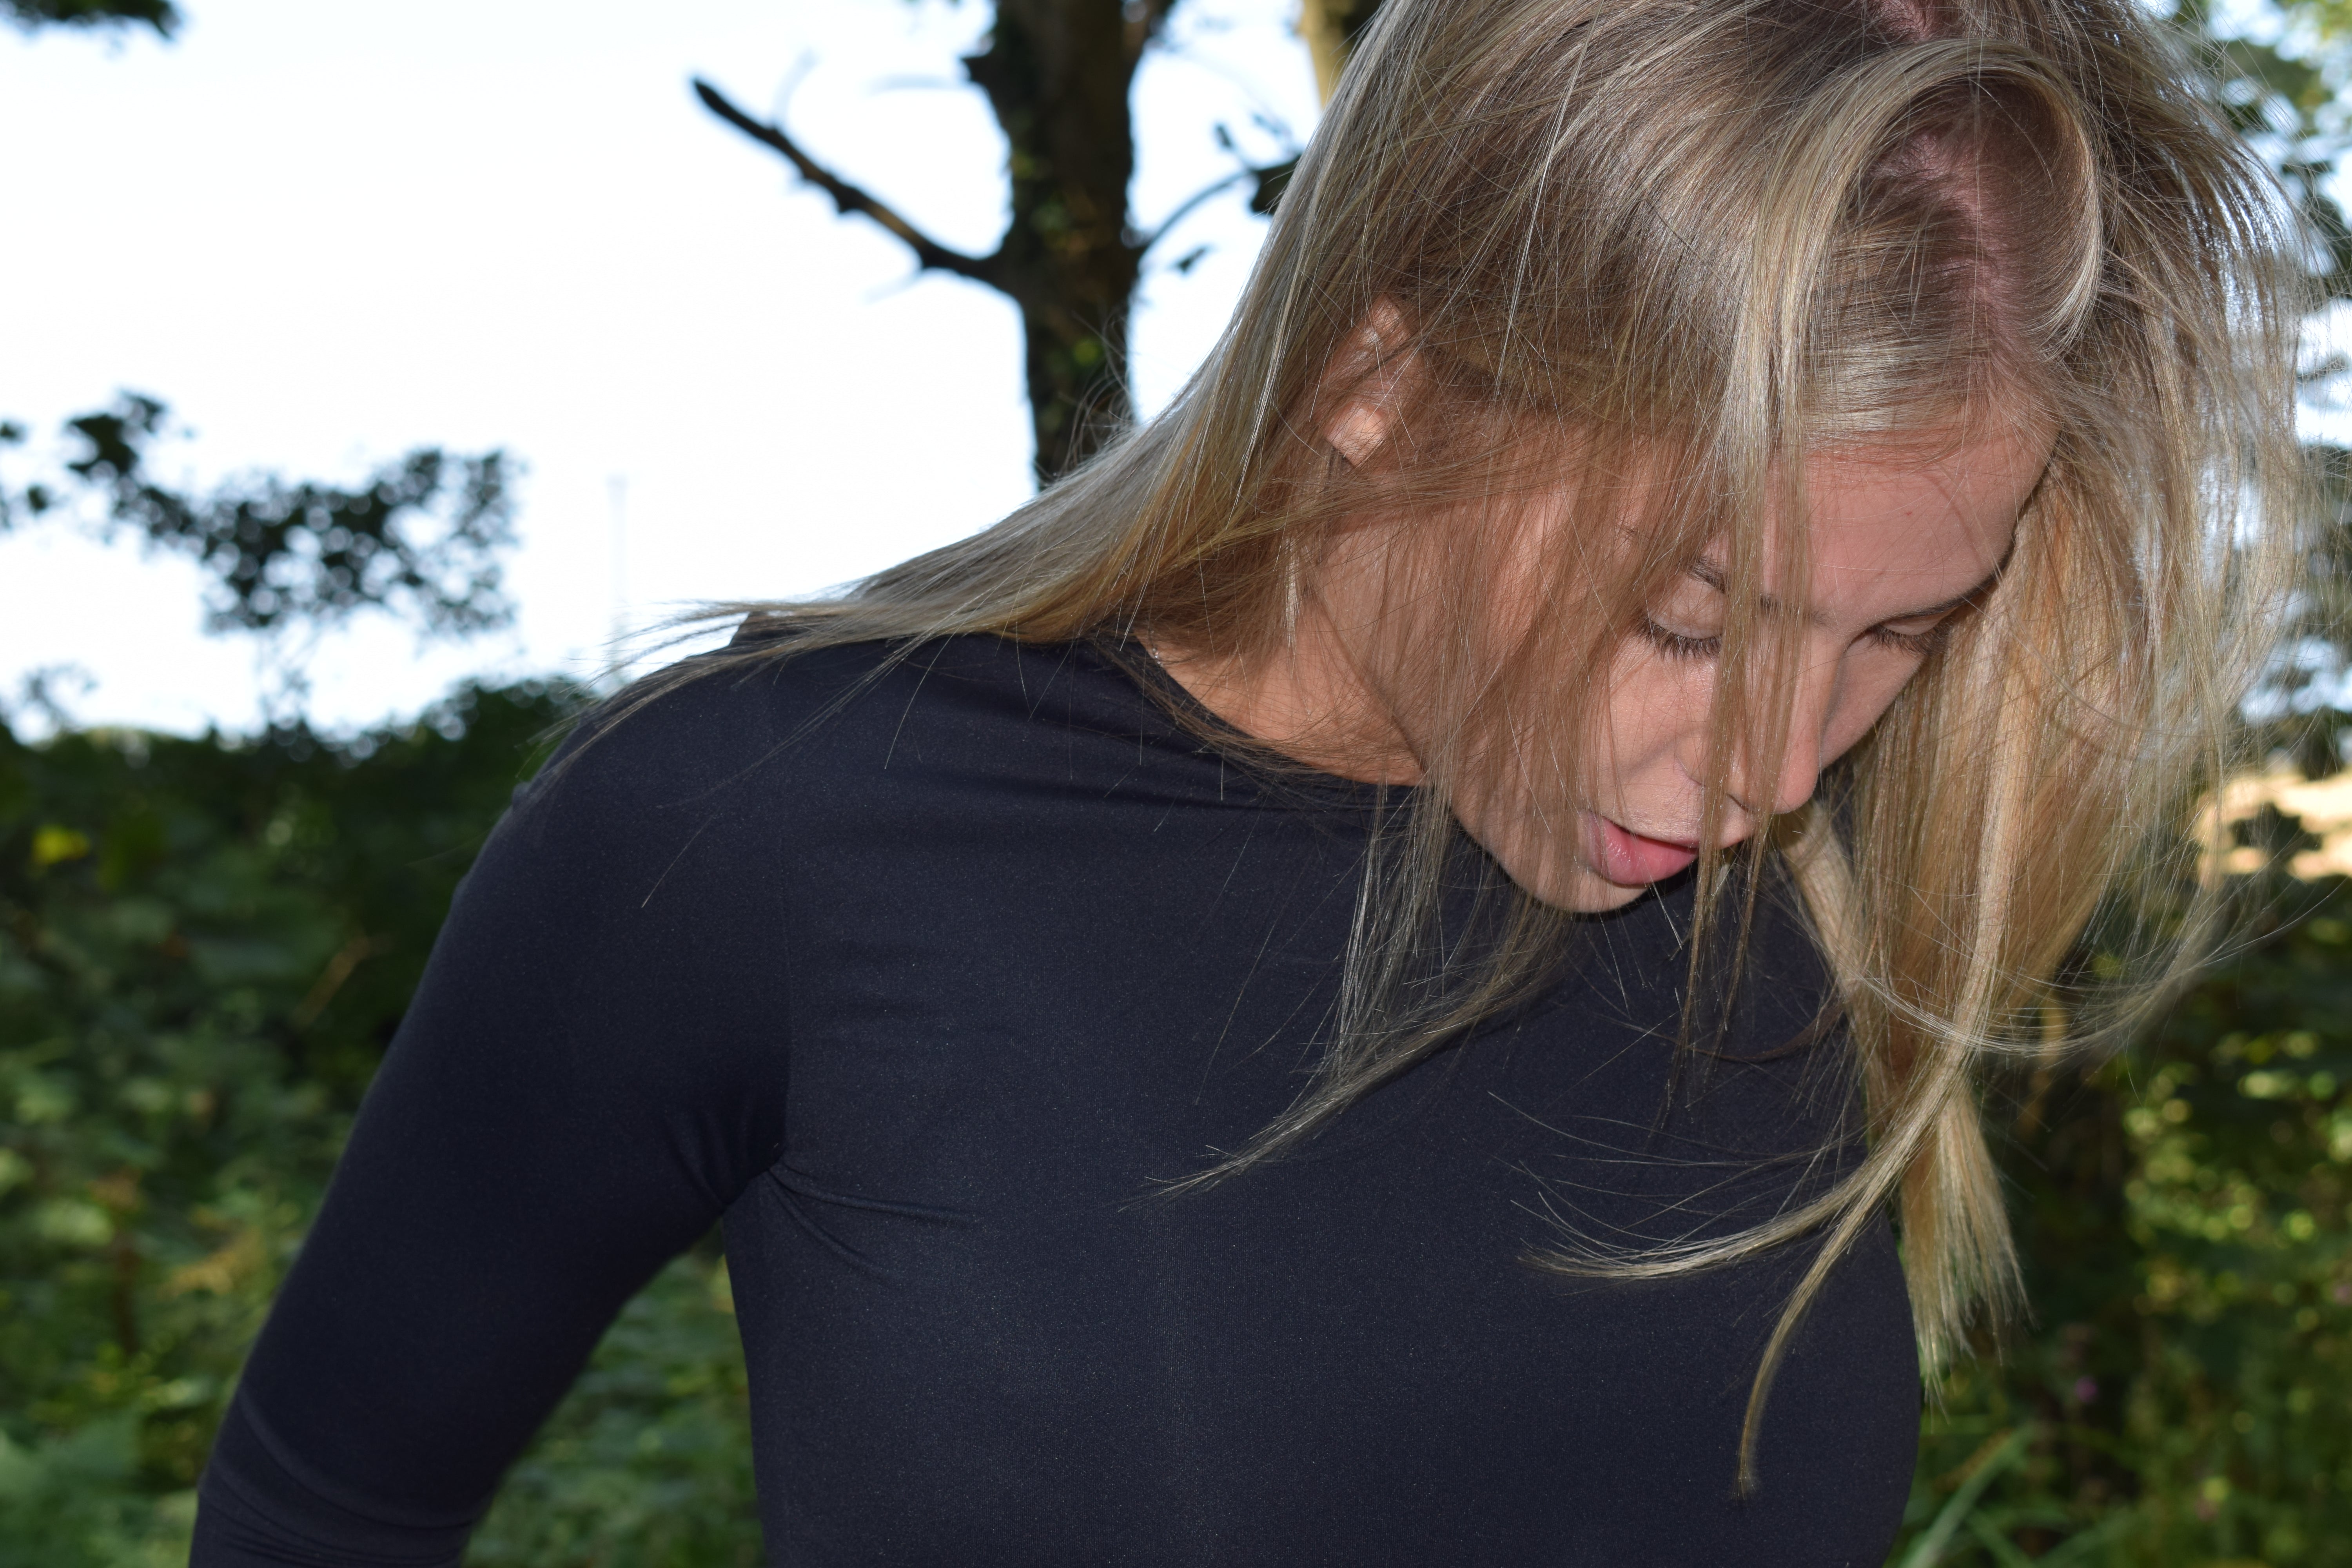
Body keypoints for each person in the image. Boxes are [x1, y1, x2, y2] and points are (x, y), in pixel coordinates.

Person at [191, 0, 2301, 1562]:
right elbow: (322, 1501)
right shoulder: (782, 830)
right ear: (1378, 387)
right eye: (1691, 619)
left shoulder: (1809, 926)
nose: (1773, 770)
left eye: (1899, 637)